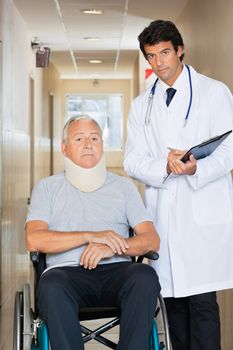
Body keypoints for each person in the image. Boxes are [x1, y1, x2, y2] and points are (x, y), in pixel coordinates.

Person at [124, 19, 233, 350]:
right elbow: (131, 160)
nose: (160, 63)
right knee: (170, 305)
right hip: (162, 216)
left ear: (180, 50)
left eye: (165, 53)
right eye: (152, 56)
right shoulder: (141, 105)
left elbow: (230, 150)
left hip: (201, 212)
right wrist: (166, 167)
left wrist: (194, 169)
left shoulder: (213, 92)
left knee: (201, 304)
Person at [26, 115, 160, 350]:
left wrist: (111, 248)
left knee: (144, 276)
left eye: (94, 138)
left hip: (117, 272)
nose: (88, 144)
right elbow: (34, 239)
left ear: (102, 145)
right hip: (66, 274)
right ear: (64, 149)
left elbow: (151, 239)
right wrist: (90, 236)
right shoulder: (47, 188)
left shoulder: (123, 186)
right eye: (79, 138)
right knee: (51, 286)